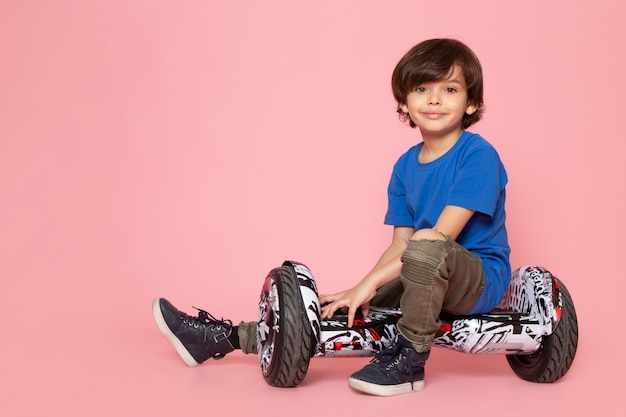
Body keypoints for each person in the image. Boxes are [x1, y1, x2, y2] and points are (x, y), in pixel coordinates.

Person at [152, 38, 510, 397]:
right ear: (404, 101)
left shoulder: (478, 155)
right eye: (422, 89)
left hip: (477, 280)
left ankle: (410, 363)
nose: (434, 100)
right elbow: (400, 245)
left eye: (449, 89)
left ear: (471, 103)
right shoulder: (404, 167)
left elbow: (440, 238)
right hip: (423, 268)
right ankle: (222, 338)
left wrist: (371, 284)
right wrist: (361, 287)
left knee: (424, 245)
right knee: (344, 305)